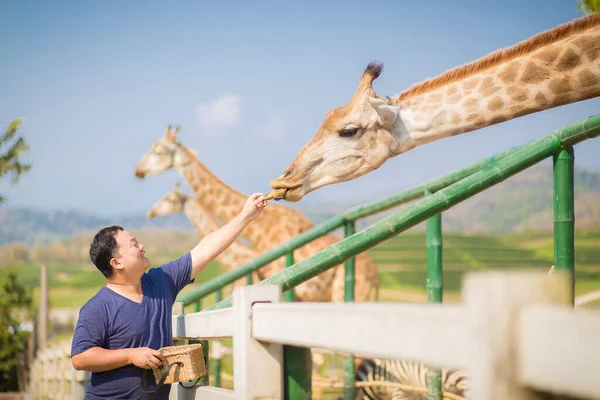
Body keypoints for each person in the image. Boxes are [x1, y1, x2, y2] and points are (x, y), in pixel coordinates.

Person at [71, 193, 268, 399]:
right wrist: (131, 355)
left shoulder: (161, 281)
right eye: (134, 244)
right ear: (117, 263)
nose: (141, 247)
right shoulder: (98, 307)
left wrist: (245, 216)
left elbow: (205, 249)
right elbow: (80, 358)